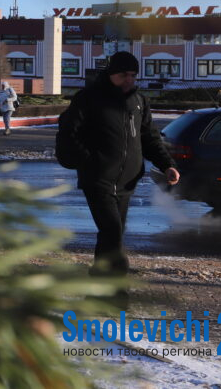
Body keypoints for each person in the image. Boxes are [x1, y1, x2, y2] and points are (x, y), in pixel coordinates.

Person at [56, 51, 180, 276]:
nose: (129, 80)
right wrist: (88, 161)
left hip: (127, 181)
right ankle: (117, 281)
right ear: (111, 73)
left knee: (114, 232)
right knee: (112, 230)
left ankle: (100, 275)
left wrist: (167, 165)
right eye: (124, 75)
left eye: (133, 75)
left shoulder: (139, 102)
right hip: (98, 180)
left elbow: (149, 138)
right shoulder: (89, 98)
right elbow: (67, 132)